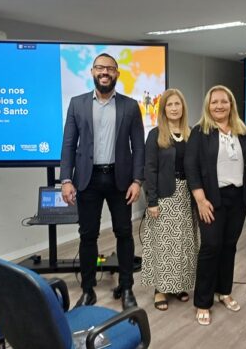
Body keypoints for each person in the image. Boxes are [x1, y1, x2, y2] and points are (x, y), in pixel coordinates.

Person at [60, 53, 145, 309]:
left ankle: (127, 288)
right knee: (87, 236)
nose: (104, 72)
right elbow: (68, 144)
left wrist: (137, 180)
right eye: (100, 68)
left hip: (121, 180)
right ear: (92, 72)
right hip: (88, 180)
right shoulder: (77, 104)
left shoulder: (130, 106)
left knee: (124, 233)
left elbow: (138, 147)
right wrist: (66, 179)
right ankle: (88, 291)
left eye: (109, 68)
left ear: (117, 73)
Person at [185, 85, 246, 326]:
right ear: (208, 105)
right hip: (210, 198)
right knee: (211, 246)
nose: (219, 106)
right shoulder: (200, 131)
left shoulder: (243, 130)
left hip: (238, 198)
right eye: (214, 101)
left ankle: (224, 291)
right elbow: (191, 167)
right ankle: (203, 302)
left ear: (231, 104)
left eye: (224, 101)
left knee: (229, 246)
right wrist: (200, 200)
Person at [141, 89, 199, 311]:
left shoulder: (191, 134)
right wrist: (152, 201)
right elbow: (150, 169)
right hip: (165, 195)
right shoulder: (155, 134)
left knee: (184, 243)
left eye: (177, 104)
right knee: (164, 244)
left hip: (187, 195)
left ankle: (178, 285)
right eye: (169, 105)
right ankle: (160, 289)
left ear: (183, 107)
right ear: (163, 109)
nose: (174, 108)